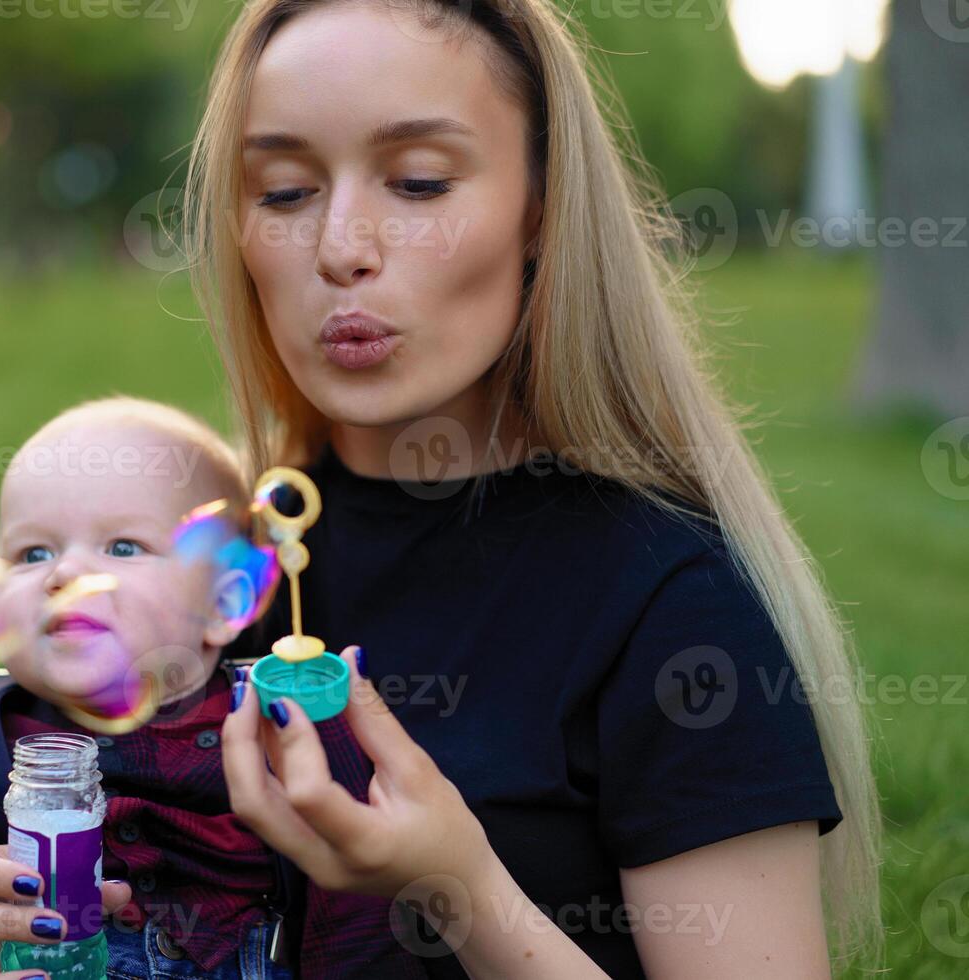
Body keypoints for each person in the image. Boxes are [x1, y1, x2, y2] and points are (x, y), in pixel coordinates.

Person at [187, 0, 883, 976]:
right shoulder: (209, 572)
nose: (340, 244)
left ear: (542, 210)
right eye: (286, 190)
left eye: (419, 181)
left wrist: (462, 890)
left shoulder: (671, 604)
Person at [0, 395, 431, 979]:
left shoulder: (275, 728)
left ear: (223, 601)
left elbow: (357, 912)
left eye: (124, 546)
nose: (66, 572)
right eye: (31, 553)